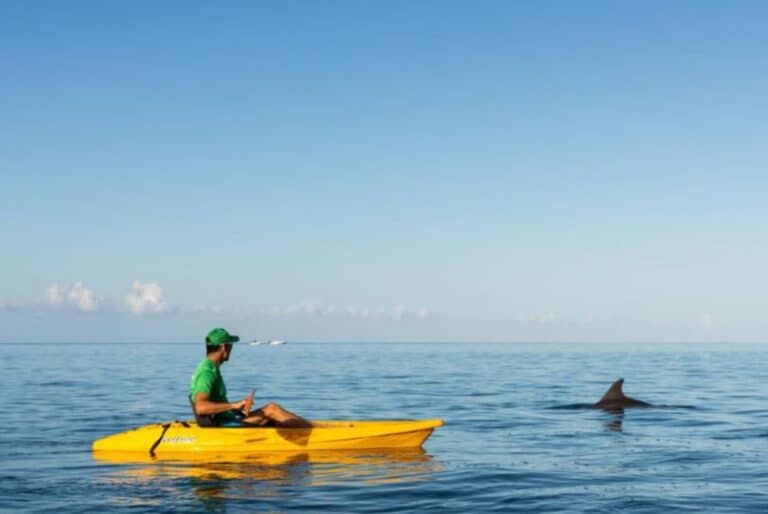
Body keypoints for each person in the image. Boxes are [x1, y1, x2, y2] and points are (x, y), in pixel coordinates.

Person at [189, 327, 312, 428]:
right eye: (230, 344)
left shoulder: (210, 367)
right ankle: (314, 432)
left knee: (272, 418)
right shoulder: (207, 372)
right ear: (223, 347)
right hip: (223, 426)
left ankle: (309, 428)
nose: (232, 348)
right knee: (272, 409)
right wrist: (233, 405)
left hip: (227, 419)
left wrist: (238, 409)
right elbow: (201, 407)